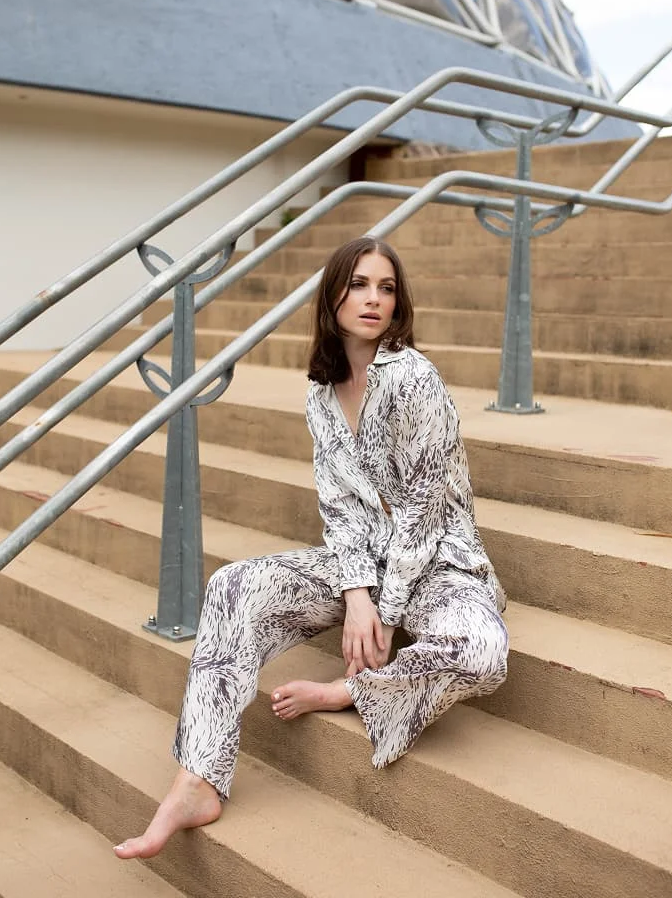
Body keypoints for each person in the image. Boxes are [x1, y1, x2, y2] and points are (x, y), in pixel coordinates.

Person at [114, 236, 508, 860]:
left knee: (483, 650)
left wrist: (388, 605)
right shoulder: (321, 391)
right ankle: (198, 778)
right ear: (331, 297)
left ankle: (352, 691)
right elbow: (340, 506)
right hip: (363, 567)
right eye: (358, 285)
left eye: (386, 287)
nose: (374, 299)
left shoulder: (412, 378)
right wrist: (356, 596)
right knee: (234, 586)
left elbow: (424, 509)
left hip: (437, 562)